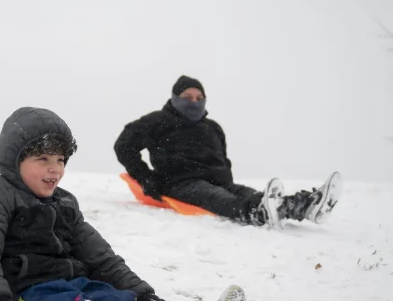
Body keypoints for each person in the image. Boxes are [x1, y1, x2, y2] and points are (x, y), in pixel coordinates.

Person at [0, 107, 247, 301]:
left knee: (120, 300)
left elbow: (99, 255)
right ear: (14, 161)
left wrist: (138, 290)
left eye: (60, 160)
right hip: (27, 292)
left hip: (73, 283)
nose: (54, 169)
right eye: (42, 159)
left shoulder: (65, 202)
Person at [114, 75, 341, 227]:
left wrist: (226, 180)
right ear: (175, 99)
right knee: (221, 199)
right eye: (187, 98)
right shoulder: (158, 121)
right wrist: (145, 177)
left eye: (199, 98)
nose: (194, 102)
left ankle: (305, 206)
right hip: (181, 182)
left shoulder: (212, 128)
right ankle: (256, 213)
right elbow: (124, 145)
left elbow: (224, 161)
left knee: (253, 194)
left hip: (219, 181)